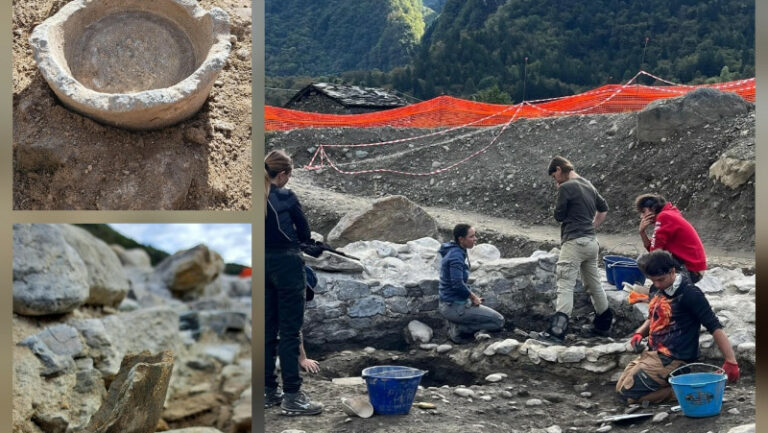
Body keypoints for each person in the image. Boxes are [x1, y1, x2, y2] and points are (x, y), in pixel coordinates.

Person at [616, 250, 739, 403]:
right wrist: (639, 333)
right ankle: (676, 387)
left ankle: (685, 391)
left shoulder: (689, 294)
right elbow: (654, 317)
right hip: (653, 354)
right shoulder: (657, 288)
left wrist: (731, 361)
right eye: (653, 280)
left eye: (661, 279)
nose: (657, 284)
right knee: (620, 387)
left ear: (672, 271)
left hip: (675, 359)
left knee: (627, 395)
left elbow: (714, 326)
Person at [265, 149, 323, 416]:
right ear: (284, 174)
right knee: (289, 331)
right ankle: (292, 396)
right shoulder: (286, 196)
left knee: (265, 332)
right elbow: (304, 232)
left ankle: (267, 392)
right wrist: (312, 246)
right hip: (286, 266)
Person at [536, 156, 612, 344]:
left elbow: (559, 216)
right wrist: (592, 227)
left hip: (574, 242)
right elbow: (603, 210)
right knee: (594, 284)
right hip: (591, 242)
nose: (556, 180)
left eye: (555, 176)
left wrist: (560, 192)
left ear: (560, 169)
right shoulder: (588, 184)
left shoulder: (566, 187)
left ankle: (556, 331)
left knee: (565, 284)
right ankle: (603, 325)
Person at [438, 224, 505, 344]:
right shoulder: (456, 257)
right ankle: (459, 330)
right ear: (461, 239)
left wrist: (472, 297)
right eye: (471, 236)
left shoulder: (456, 249)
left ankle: (458, 323)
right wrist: (473, 297)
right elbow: (457, 284)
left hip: (452, 302)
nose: (475, 239)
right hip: (453, 306)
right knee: (498, 321)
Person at [635, 193, 706, 283]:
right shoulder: (669, 214)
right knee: (653, 260)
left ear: (653, 209)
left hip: (691, 271)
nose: (642, 216)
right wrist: (642, 232)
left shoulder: (664, 217)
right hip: (694, 268)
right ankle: (666, 287)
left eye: (643, 212)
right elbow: (654, 251)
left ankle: (671, 288)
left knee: (642, 261)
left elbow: (654, 253)